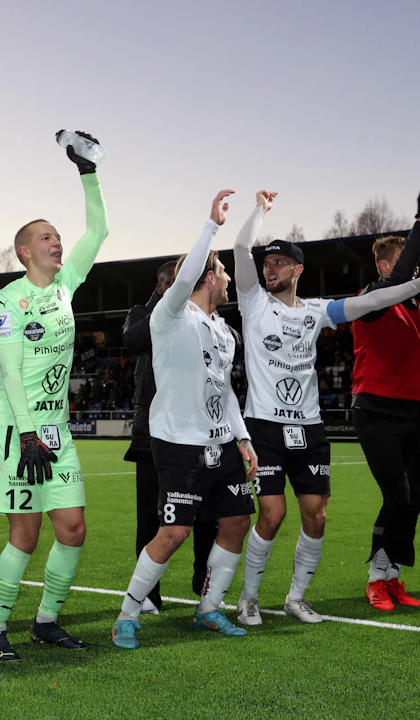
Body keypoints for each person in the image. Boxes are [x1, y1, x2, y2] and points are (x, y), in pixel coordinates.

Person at [231, 190, 420, 626]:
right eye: (266, 264)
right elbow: (240, 248)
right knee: (273, 515)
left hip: (309, 430)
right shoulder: (253, 302)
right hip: (265, 427)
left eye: (278, 263)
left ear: (298, 270)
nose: (268, 269)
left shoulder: (317, 311)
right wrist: (260, 210)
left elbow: (372, 302)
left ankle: (297, 598)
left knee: (318, 516)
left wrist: (418, 284)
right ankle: (249, 598)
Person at [0, 131, 108, 661]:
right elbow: (10, 373)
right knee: (26, 534)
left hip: (54, 427)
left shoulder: (64, 286)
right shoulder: (6, 302)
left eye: (59, 236)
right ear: (24, 251)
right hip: (18, 426)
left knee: (73, 528)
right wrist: (28, 431)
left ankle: (47, 620)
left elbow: (99, 229)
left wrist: (88, 171)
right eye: (47, 237)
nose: (58, 242)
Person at [111, 190, 259, 650]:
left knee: (235, 523)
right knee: (175, 531)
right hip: (178, 442)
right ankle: (127, 615)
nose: (228, 279)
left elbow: (225, 390)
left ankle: (208, 609)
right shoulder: (170, 317)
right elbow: (182, 279)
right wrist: (210, 228)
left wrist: (244, 438)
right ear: (205, 277)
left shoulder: (224, 332)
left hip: (221, 443)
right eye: (223, 271)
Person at [352, 183, 420, 611]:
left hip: (414, 414)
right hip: (376, 410)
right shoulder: (370, 300)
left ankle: (393, 577)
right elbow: (401, 278)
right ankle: (375, 578)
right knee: (398, 496)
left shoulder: (418, 310)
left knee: (416, 499)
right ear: (389, 267)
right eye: (407, 266)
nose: (416, 272)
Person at [122, 261, 221, 614]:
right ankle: (148, 593)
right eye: (167, 284)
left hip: (197, 433)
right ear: (160, 286)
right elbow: (132, 340)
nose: (173, 289)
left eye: (179, 283)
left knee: (206, 514)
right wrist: (160, 304)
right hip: (151, 435)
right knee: (150, 518)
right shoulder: (143, 314)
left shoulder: (197, 319)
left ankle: (202, 581)